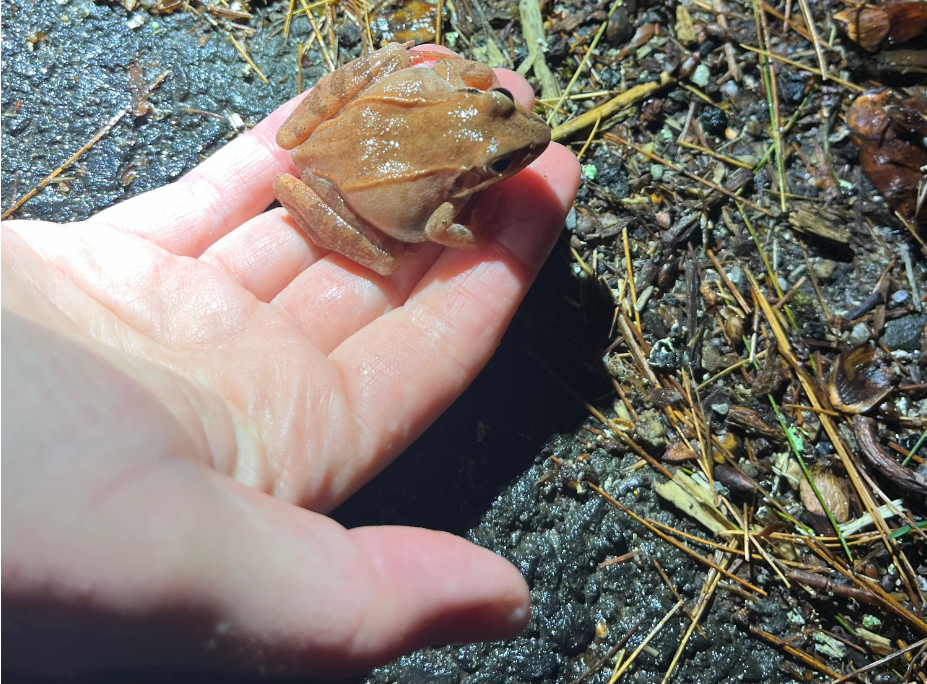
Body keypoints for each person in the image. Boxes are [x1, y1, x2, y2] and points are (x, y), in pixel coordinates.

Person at [1, 45, 580, 679]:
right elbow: (435, 227)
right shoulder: (455, 142)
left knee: (356, 200)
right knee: (391, 256)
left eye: (496, 106)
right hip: (342, 187)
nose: (524, 144)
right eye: (501, 161)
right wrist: (477, 228)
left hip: (334, 134)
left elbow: (448, 80)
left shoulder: (456, 93)